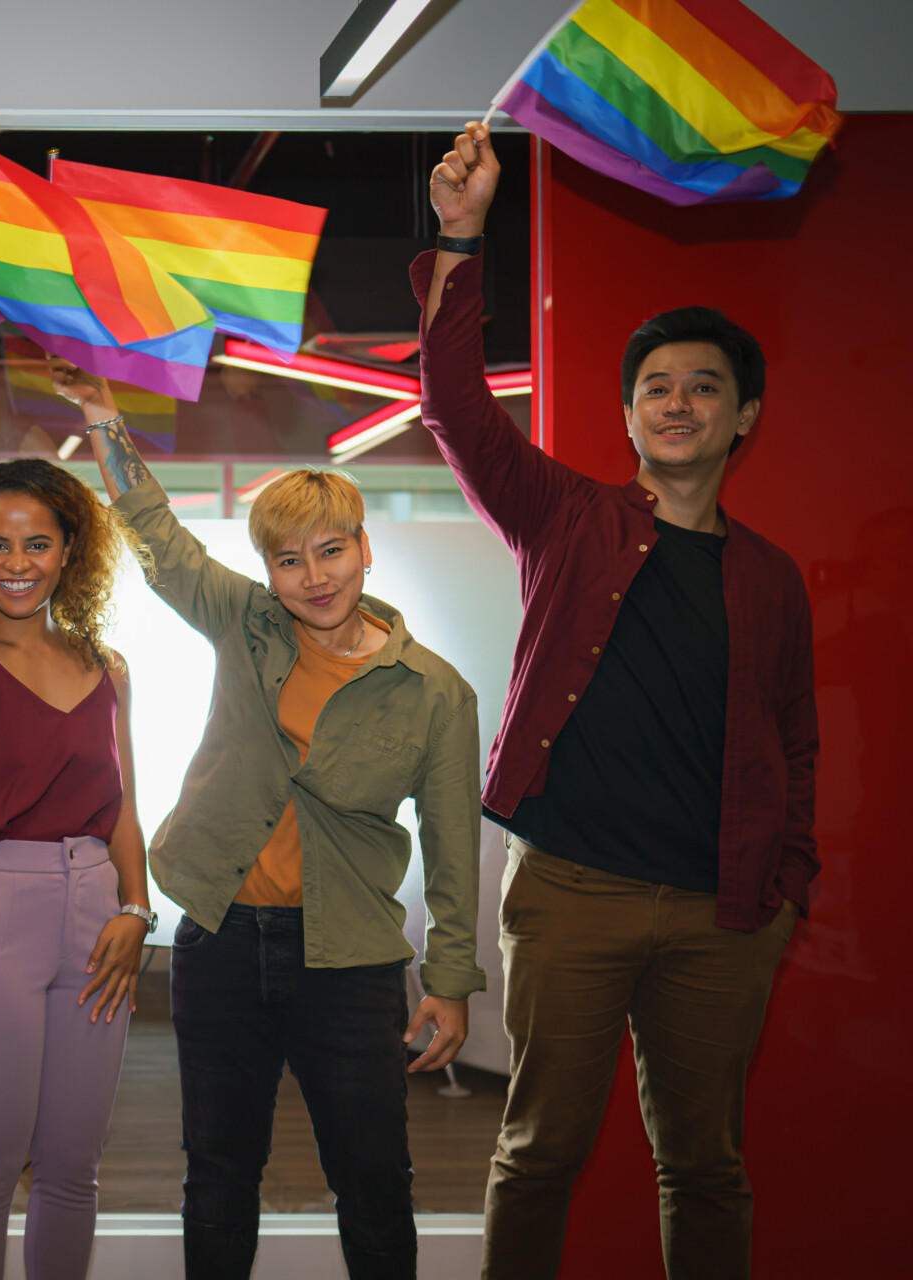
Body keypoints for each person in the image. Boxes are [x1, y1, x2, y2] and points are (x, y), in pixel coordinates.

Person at [419, 124, 818, 1280]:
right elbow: (452, 400)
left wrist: (786, 879)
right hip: (572, 893)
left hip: (722, 911)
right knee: (538, 1151)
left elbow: (796, 741)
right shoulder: (567, 516)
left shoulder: (771, 574)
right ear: (630, 414)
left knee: (705, 1164)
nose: (677, 402)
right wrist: (459, 231)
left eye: (705, 387)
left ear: (743, 416)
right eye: (655, 387)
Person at [58, 358, 485, 1280]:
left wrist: (449, 982)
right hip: (220, 941)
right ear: (269, 570)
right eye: (288, 559)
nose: (312, 575)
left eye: (331, 550)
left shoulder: (435, 694)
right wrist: (102, 419)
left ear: (365, 549)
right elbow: (160, 540)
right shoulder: (244, 623)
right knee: (217, 1174)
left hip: (352, 962)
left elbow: (455, 850)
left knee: (372, 1177)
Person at [0, 341, 155, 1280]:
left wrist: (136, 909)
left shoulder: (107, 667)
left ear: (68, 552)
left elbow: (123, 806)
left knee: (73, 1172)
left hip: (96, 916)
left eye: (37, 542)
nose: (16, 563)